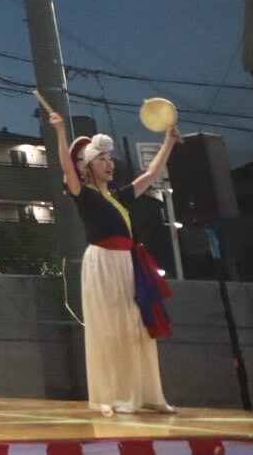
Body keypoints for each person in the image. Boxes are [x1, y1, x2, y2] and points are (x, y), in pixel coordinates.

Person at [44, 105, 178, 415]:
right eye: (101, 159)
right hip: (102, 263)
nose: (109, 163)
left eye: (110, 158)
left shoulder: (118, 195)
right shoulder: (83, 194)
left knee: (138, 326)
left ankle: (148, 394)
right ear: (88, 167)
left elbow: (151, 174)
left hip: (128, 263)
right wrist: (61, 133)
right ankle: (118, 394)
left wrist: (169, 141)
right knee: (112, 328)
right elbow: (67, 168)